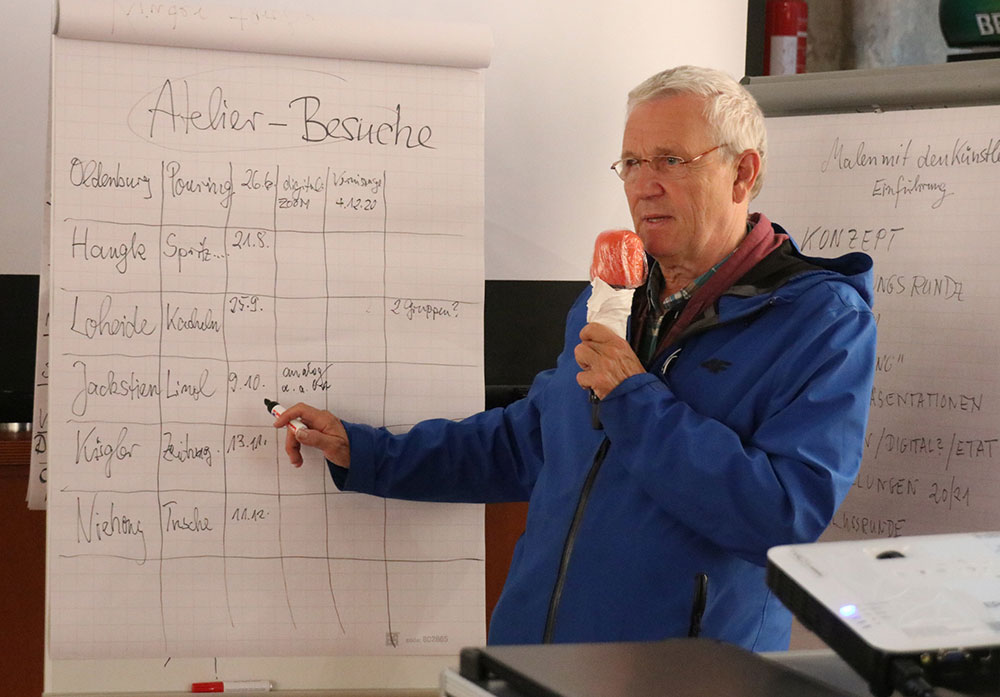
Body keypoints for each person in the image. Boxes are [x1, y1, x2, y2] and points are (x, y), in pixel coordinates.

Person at [273, 65, 877, 651]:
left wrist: (634, 400)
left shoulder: (821, 321)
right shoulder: (613, 298)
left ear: (742, 173)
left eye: (671, 160)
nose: (644, 185)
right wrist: (367, 453)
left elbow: (783, 516)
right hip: (537, 661)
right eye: (632, 163)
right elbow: (530, 442)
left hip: (682, 676)